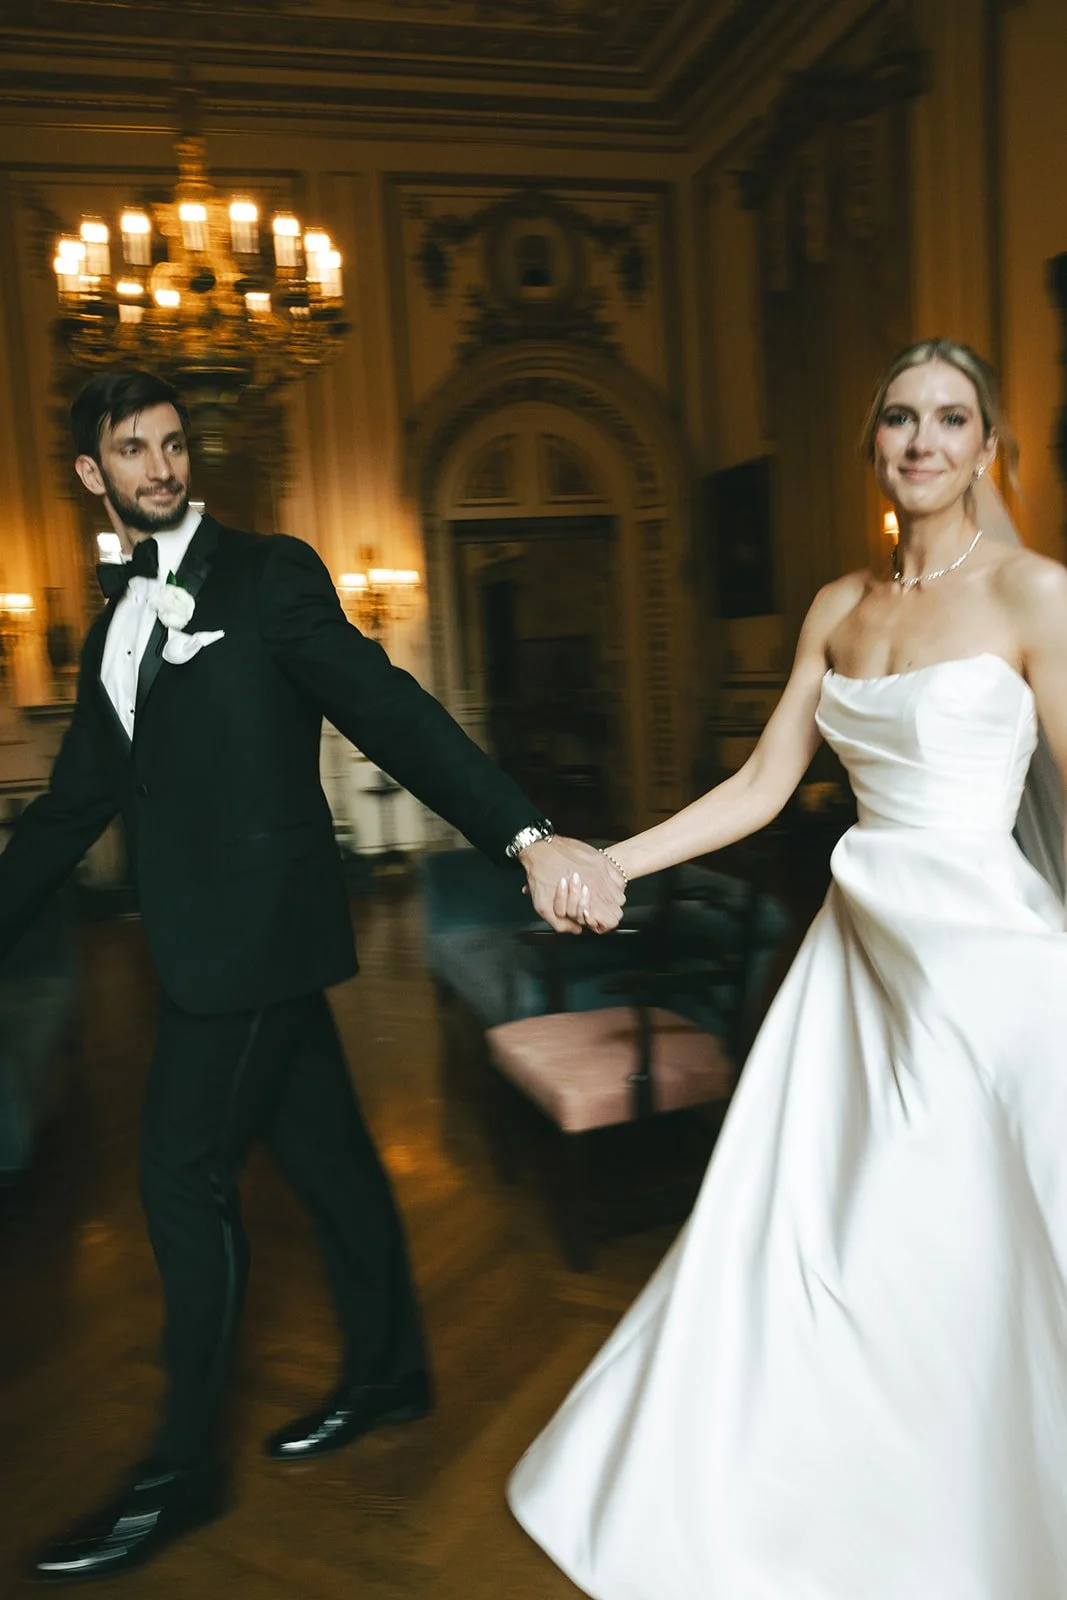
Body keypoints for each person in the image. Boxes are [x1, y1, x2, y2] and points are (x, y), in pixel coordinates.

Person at [0, 368, 625, 1584]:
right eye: (132, 450)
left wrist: (525, 834)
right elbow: (71, 806)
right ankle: (391, 1371)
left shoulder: (269, 574)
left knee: (179, 1176)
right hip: (215, 941)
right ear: (91, 472)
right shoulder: (110, 625)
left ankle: (182, 1472)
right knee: (330, 1158)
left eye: (173, 443)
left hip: (254, 943)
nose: (160, 467)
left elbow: (391, 712)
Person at [508, 338, 1067, 1598]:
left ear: (986, 448)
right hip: (857, 974)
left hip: (992, 977)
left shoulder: (1035, 594)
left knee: (982, 1249)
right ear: (871, 442)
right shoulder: (834, 607)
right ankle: (834, 1518)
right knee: (835, 1249)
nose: (921, 440)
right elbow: (761, 786)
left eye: (950, 418)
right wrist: (607, 861)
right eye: (899, 417)